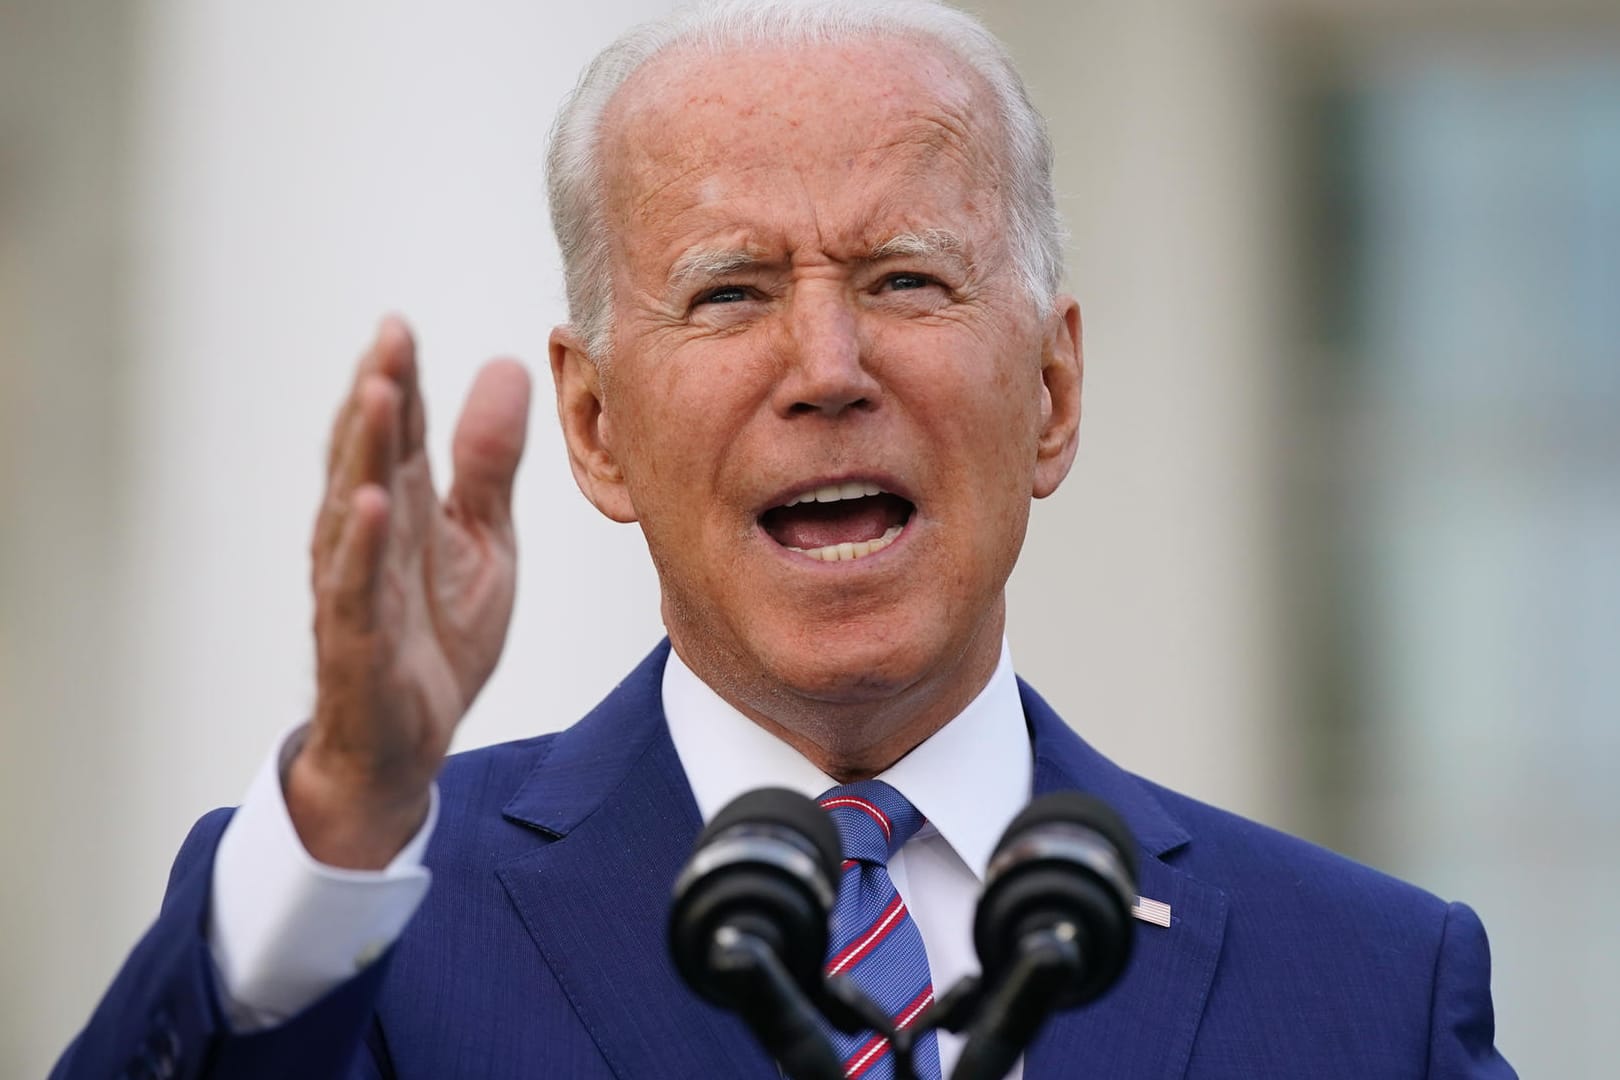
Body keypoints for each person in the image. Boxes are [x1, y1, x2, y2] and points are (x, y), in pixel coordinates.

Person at [52, 2, 1514, 1078]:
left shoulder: (1369, 989)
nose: (828, 364)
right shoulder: (370, 923)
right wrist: (354, 806)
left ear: (1054, 393)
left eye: (904, 276)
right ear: (598, 426)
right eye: (731, 293)